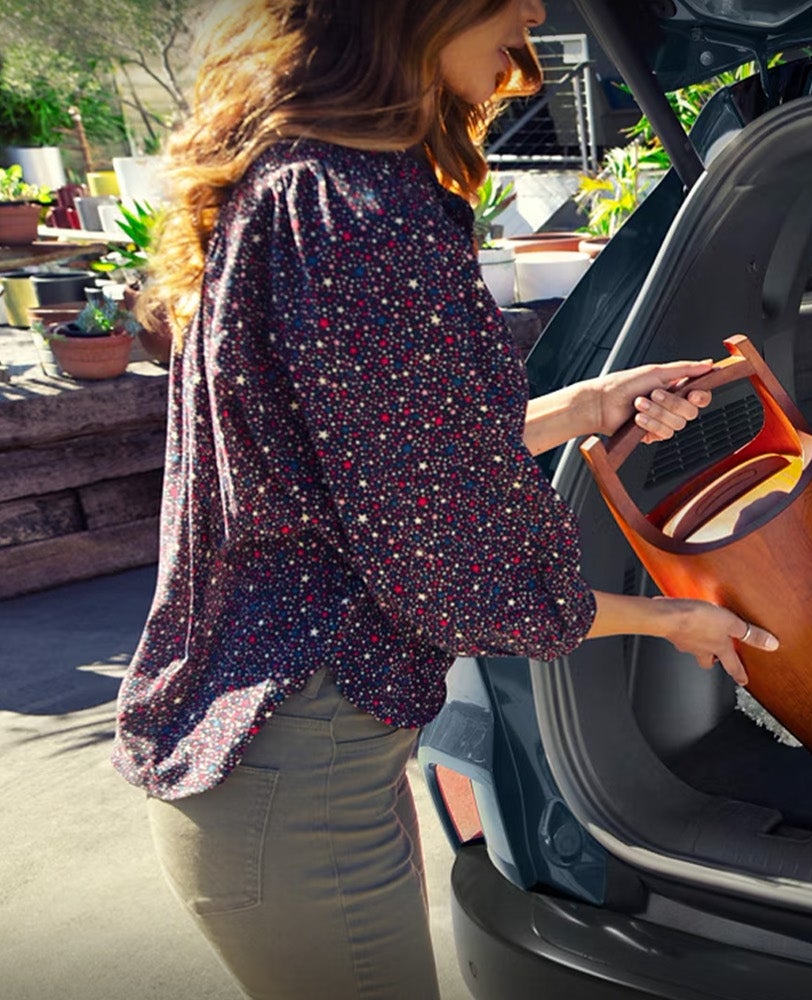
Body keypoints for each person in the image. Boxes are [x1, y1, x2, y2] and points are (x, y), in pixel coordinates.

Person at [109, 2, 776, 996]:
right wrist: (666, 618)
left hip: (276, 768)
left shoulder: (298, 183)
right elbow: (449, 564)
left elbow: (390, 462)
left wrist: (593, 402)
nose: (537, 10)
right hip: (299, 775)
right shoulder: (365, 216)